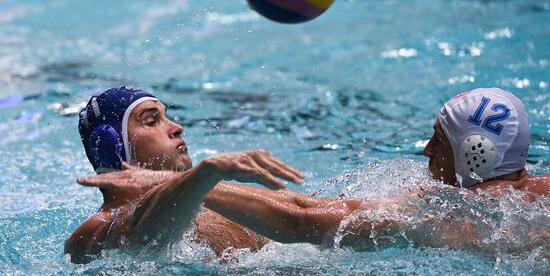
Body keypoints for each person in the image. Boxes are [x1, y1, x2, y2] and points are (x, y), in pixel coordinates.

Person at [65, 86, 548, 263]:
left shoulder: (459, 215)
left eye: (437, 141)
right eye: (152, 120)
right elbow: (150, 235)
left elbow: (302, 218)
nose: (176, 126)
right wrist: (203, 176)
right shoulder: (95, 234)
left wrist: (201, 177)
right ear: (115, 147)